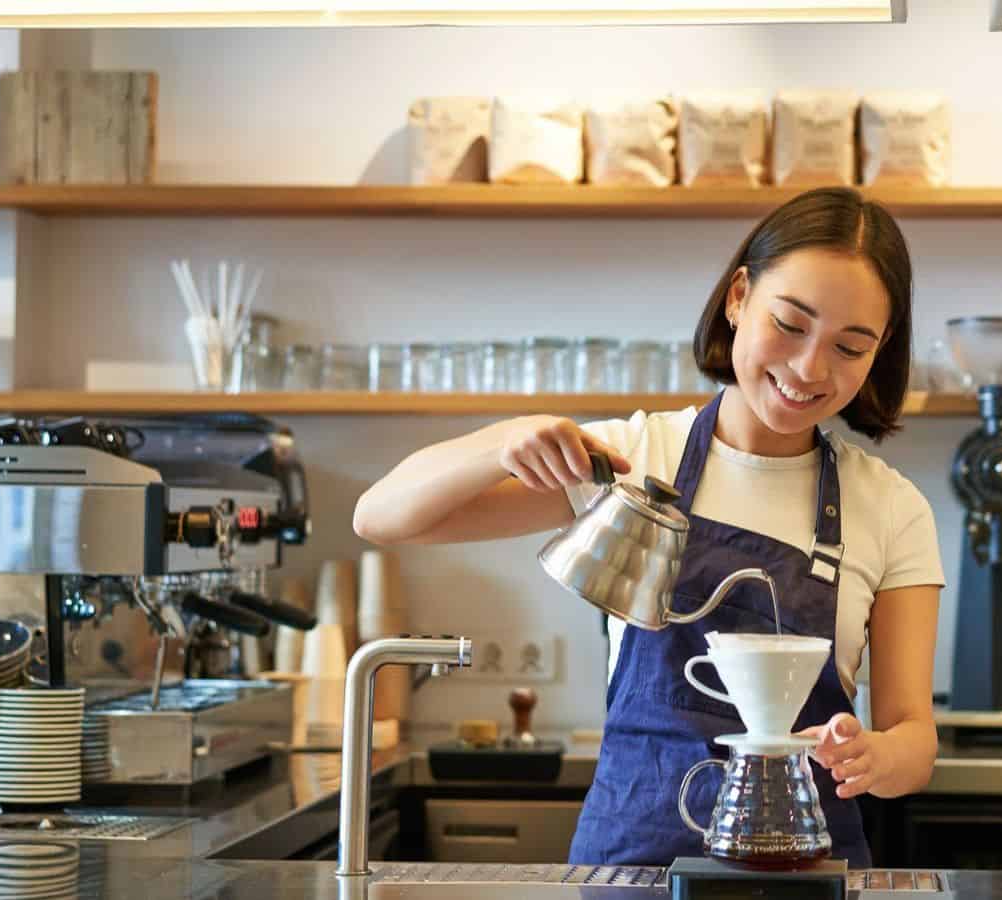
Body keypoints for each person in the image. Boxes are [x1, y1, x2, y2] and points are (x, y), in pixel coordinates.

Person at [353, 186, 944, 868]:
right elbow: (382, 517)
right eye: (789, 324)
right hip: (629, 867)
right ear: (738, 297)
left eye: (849, 346)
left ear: (881, 350)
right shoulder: (632, 463)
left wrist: (875, 757)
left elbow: (916, 741)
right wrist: (505, 440)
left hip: (803, 875)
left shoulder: (891, 509)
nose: (810, 368)